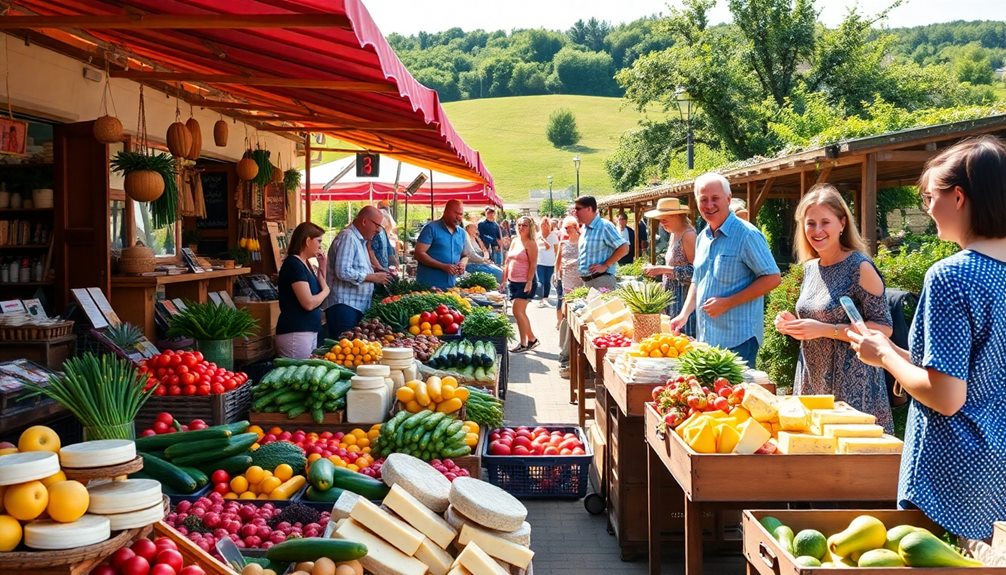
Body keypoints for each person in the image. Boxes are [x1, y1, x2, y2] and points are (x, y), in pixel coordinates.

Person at [849, 136, 1006, 543]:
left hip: (952, 472)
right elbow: (981, 367)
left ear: (958, 197)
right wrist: (904, 355)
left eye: (930, 197)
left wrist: (884, 355)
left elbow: (947, 396)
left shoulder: (953, 276)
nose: (927, 208)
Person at [774, 185, 894, 432]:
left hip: (852, 386)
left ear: (842, 223)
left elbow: (884, 328)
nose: (817, 231)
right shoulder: (810, 267)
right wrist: (790, 324)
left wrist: (824, 329)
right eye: (810, 223)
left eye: (825, 222)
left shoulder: (859, 267)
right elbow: (813, 319)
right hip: (812, 377)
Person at [669, 173, 781, 367]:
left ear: (728, 199)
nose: (709, 205)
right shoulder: (703, 237)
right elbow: (698, 278)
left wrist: (728, 302)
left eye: (715, 198)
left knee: (737, 396)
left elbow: (772, 277)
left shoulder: (747, 234)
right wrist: (684, 314)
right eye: (703, 199)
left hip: (738, 340)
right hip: (707, 337)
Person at [323, 206, 391, 339]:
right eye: (377, 225)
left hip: (353, 306)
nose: (378, 230)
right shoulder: (348, 237)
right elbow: (342, 271)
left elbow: (353, 266)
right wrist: (372, 277)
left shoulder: (359, 239)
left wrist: (373, 268)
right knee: (343, 349)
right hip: (344, 306)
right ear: (364, 221)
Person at [276, 222, 330, 358]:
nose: (320, 246)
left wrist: (322, 266)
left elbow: (320, 288)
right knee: (298, 375)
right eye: (318, 241)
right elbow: (308, 303)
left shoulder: (305, 264)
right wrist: (326, 292)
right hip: (296, 332)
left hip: (307, 330)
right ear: (307, 241)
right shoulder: (294, 265)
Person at [644, 198, 697, 337]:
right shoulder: (674, 233)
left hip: (685, 301)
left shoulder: (689, 235)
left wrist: (662, 269)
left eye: (664, 219)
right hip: (673, 299)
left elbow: (695, 273)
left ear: (677, 216)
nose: (661, 223)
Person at [574, 195, 629, 290]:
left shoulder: (604, 226)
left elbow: (624, 248)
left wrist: (605, 265)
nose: (575, 213)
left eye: (578, 209)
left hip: (602, 280)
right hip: (588, 282)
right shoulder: (585, 228)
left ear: (589, 209)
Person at [502, 216, 539, 353]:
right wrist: (504, 279)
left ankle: (524, 343)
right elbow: (508, 261)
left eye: (524, 225)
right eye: (519, 225)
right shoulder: (515, 241)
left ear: (530, 228)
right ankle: (532, 339)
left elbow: (533, 264)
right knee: (520, 313)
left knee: (517, 311)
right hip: (513, 281)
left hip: (525, 282)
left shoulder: (531, 243)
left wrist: (529, 282)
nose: (521, 228)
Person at [414, 199, 467, 289]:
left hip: (451, 286)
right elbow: (418, 254)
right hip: (428, 286)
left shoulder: (462, 233)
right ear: (446, 211)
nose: (459, 217)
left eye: (461, 214)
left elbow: (465, 255)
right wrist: (442, 266)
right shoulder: (431, 228)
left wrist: (462, 264)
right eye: (456, 213)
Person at [555, 216, 584, 377]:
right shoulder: (563, 243)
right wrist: (556, 275)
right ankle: (565, 350)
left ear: (575, 227)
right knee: (567, 312)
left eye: (569, 227)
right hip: (567, 281)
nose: (567, 231)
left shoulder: (582, 242)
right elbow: (557, 261)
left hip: (580, 281)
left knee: (577, 313)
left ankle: (570, 350)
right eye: (565, 228)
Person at [535, 217, 559, 307]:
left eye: (546, 224)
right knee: (540, 281)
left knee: (547, 281)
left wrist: (557, 262)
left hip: (550, 262)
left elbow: (555, 249)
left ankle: (545, 297)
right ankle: (541, 298)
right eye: (542, 224)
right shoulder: (537, 235)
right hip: (539, 261)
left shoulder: (553, 236)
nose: (544, 226)